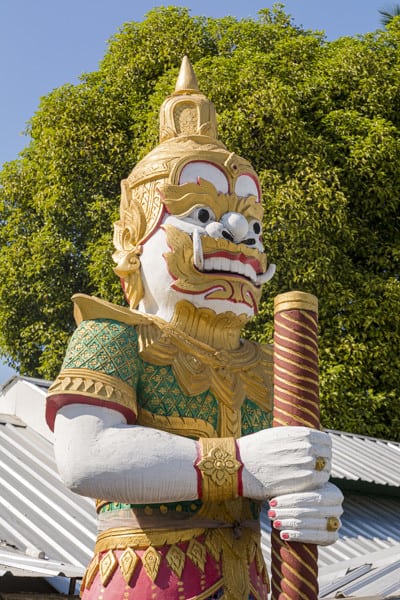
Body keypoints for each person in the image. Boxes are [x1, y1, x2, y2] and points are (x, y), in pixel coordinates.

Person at [46, 57, 343, 600]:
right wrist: (242, 464)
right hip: (144, 578)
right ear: (133, 239)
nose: (240, 236)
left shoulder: (271, 367)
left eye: (252, 224)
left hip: (250, 579)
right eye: (201, 215)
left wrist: (308, 503)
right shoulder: (114, 334)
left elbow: (284, 480)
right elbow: (86, 458)